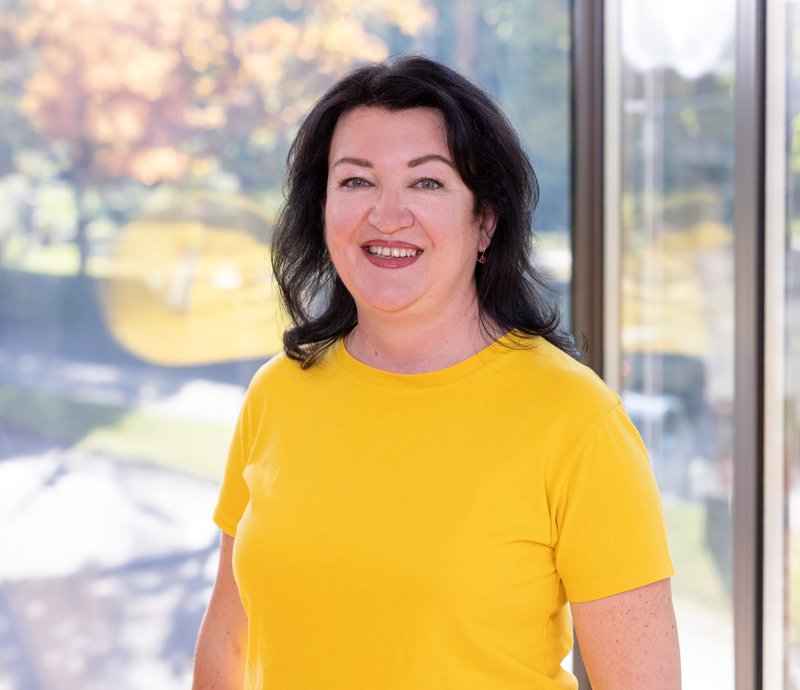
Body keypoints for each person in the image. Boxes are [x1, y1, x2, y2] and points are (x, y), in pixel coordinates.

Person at [193, 55, 681, 690]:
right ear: (322, 208)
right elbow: (227, 644)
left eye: (427, 183)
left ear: (485, 221)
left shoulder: (578, 420)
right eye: (356, 181)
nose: (387, 214)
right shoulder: (277, 392)